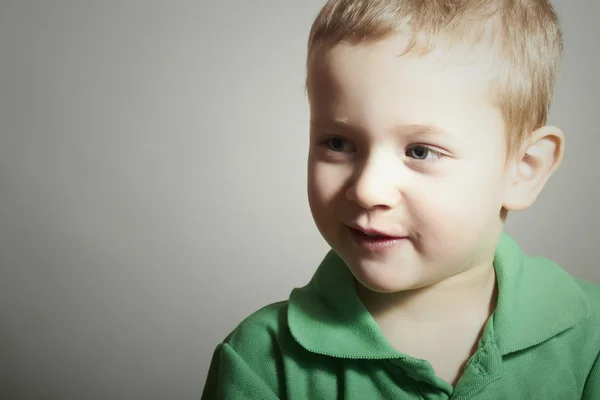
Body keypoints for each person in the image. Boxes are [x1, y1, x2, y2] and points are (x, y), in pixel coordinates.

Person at [201, 0, 600, 398]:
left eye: (420, 151)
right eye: (338, 143)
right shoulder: (261, 362)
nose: (367, 189)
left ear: (524, 168)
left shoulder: (591, 340)